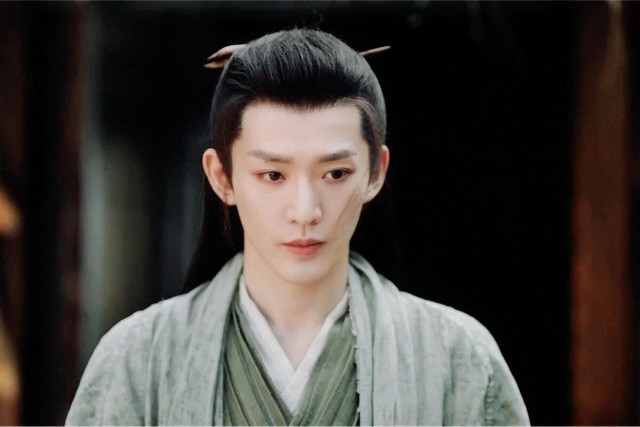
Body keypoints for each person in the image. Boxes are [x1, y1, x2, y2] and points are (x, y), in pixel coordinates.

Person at [65, 27, 530, 426]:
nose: (305, 211)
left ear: (375, 173)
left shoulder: (458, 357)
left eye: (335, 174)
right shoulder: (137, 359)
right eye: (273, 175)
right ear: (221, 177)